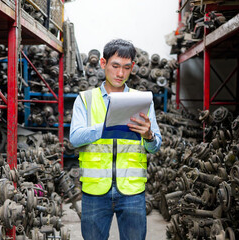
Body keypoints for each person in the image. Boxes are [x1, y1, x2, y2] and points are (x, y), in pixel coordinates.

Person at [69, 39, 162, 240]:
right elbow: (75, 139)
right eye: (115, 66)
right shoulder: (85, 99)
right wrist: (103, 127)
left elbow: (155, 147)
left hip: (132, 190)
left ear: (133, 68)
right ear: (103, 64)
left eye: (126, 68)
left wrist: (149, 136)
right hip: (95, 190)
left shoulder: (142, 100)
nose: (120, 74)